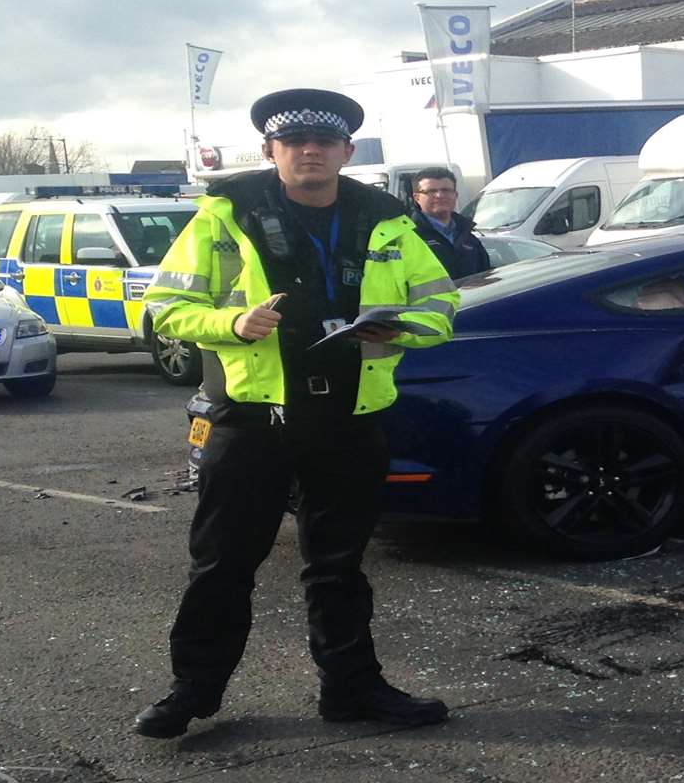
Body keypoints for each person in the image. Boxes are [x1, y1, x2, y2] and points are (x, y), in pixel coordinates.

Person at [134, 88, 460, 739]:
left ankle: (351, 689)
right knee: (222, 566)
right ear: (270, 151)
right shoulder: (225, 216)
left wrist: (403, 331)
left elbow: (442, 306)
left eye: (324, 142)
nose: (309, 151)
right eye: (294, 142)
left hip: (349, 418)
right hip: (254, 421)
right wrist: (233, 321)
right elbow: (165, 310)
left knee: (339, 567)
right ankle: (191, 692)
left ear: (345, 151)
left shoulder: (385, 219)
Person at [409, 167, 490, 279]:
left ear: (455, 195)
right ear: (416, 198)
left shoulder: (469, 237)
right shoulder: (408, 236)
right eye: (431, 191)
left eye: (446, 190)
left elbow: (486, 278)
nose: (439, 195)